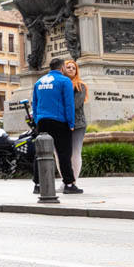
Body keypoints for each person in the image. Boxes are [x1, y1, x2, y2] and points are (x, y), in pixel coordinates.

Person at [32, 57, 81, 195]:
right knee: (64, 153)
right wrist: (71, 123)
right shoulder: (65, 81)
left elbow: (34, 104)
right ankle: (69, 184)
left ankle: (38, 184)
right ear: (62, 68)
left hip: (42, 121)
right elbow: (69, 104)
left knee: (40, 153)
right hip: (59, 121)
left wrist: (37, 120)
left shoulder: (39, 82)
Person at [64, 59, 89, 181]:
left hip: (78, 124)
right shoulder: (60, 84)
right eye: (68, 67)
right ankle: (66, 181)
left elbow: (75, 105)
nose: (71, 69)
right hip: (62, 124)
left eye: (73, 68)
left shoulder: (80, 86)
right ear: (64, 69)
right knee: (61, 155)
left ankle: (73, 181)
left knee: (75, 153)